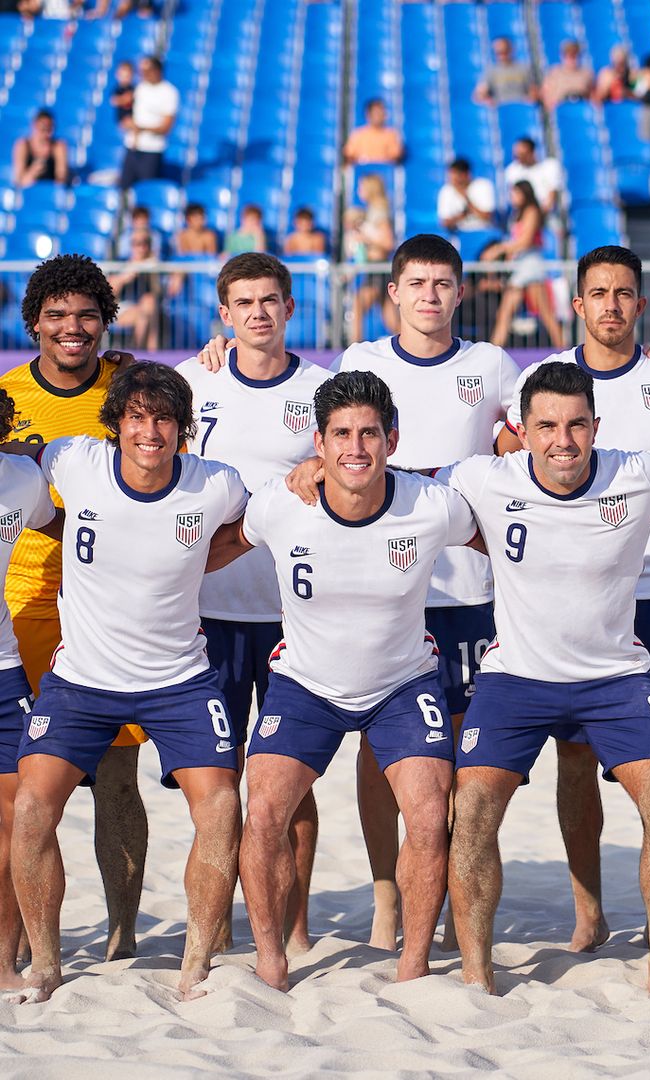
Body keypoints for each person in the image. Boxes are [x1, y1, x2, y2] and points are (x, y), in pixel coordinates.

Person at [443, 361, 650, 995]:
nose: (562, 441)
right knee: (474, 810)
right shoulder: (484, 478)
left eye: (576, 425)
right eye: (546, 426)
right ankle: (476, 974)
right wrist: (316, 470)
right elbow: (391, 485)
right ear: (520, 429)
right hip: (516, 677)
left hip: (615, 679)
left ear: (596, 426)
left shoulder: (637, 472)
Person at [284, 233, 520, 952]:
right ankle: (388, 896)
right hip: (377, 590)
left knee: (452, 757)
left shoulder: (491, 365)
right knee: (375, 752)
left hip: (466, 592)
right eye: (416, 283)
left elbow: (535, 428)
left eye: (443, 283)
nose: (429, 295)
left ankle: (446, 888)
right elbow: (310, 426)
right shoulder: (360, 362)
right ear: (393, 292)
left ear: (459, 291)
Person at [212, 370, 477, 990]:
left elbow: (511, 537)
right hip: (306, 684)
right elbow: (211, 547)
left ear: (392, 440)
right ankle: (272, 958)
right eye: (341, 435)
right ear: (319, 443)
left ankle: (412, 964)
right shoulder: (283, 503)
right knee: (266, 813)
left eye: (369, 434)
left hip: (403, 685)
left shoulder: (431, 505)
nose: (356, 447)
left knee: (430, 814)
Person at [4, 361, 248, 1004]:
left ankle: (194, 965)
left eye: (165, 419)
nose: (151, 431)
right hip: (81, 678)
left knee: (221, 805)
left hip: (178, 679)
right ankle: (48, 964)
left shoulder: (215, 485)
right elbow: (24, 457)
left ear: (182, 430)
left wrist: (202, 556)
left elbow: (265, 520)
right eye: (137, 417)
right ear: (114, 426)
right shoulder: (72, 462)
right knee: (32, 809)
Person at [502, 244, 650, 951]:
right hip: (566, 597)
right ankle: (588, 909)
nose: (612, 305)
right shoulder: (540, 379)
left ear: (641, 304)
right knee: (572, 760)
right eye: (599, 293)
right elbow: (506, 461)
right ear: (579, 303)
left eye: (625, 292)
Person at [179, 253, 331, 954]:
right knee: (217, 786)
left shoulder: (321, 391)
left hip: (295, 618)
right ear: (224, 314)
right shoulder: (194, 380)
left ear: (290, 308)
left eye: (271, 300)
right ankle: (215, 925)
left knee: (290, 783)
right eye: (244, 303)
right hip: (206, 614)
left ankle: (294, 928)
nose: (259, 313)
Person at [0, 255, 147, 965]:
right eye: (57, 315)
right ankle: (26, 933)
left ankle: (122, 938)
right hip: (22, 607)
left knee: (117, 779)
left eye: (86, 314)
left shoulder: (132, 388)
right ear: (34, 323)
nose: (72, 327)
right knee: (29, 784)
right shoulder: (4, 395)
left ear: (104, 322)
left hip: (107, 609)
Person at [0, 389, 56, 993]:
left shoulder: (21, 479)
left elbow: (69, 523)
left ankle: (5, 960)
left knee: (18, 818)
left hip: (3, 666)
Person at [482, 181, 564, 350]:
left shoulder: (532, 211)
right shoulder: (518, 214)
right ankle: (493, 352)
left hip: (531, 265)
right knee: (506, 313)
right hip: (522, 266)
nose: (512, 198)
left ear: (524, 194)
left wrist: (498, 249)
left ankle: (564, 351)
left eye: (516, 194)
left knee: (545, 314)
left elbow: (525, 241)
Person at [119, 56, 179, 190]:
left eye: (147, 71)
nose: (143, 74)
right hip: (132, 147)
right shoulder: (140, 87)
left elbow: (166, 127)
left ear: (157, 70)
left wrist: (141, 129)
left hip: (152, 150)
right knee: (124, 188)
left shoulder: (169, 92)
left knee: (145, 190)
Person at [349, 174, 397, 340]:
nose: (359, 191)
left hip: (379, 266)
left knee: (357, 305)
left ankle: (353, 349)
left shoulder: (379, 212)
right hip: (377, 267)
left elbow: (388, 242)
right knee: (390, 315)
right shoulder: (373, 211)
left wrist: (364, 236)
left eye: (361, 187)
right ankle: (410, 346)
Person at [108, 231, 163, 350]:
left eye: (145, 243)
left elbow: (158, 292)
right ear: (131, 246)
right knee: (143, 313)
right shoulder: (120, 263)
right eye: (137, 244)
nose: (142, 248)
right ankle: (142, 352)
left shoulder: (152, 266)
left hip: (144, 310)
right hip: (120, 309)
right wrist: (125, 276)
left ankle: (150, 352)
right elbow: (109, 293)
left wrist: (152, 273)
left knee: (149, 302)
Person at [503, 137, 564, 218]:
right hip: (523, 217)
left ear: (532, 152)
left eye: (522, 154)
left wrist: (537, 217)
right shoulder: (511, 171)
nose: (519, 158)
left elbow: (551, 198)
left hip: (547, 216)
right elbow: (515, 199)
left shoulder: (550, 166)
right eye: (517, 155)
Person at [436, 158, 496, 235]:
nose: (454, 183)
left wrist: (466, 199)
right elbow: (445, 223)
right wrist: (463, 215)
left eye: (458, 179)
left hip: (483, 231)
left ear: (467, 175)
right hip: (459, 233)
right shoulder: (446, 190)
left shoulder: (484, 185)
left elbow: (487, 217)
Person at [11, 110, 68, 189]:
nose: (47, 134)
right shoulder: (23, 145)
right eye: (43, 129)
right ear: (34, 126)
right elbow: (19, 182)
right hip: (28, 193)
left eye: (50, 129)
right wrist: (33, 172)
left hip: (51, 193)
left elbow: (61, 179)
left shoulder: (58, 146)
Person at [474, 37, 537, 106]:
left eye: (505, 51)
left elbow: (533, 90)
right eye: (499, 52)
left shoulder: (524, 68)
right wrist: (487, 100)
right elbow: (479, 94)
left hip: (522, 106)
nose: (502, 55)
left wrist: (531, 98)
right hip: (501, 108)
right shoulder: (491, 71)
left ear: (511, 50)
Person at [343, 97, 404, 166]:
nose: (379, 116)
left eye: (381, 112)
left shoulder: (391, 134)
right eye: (376, 113)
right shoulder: (358, 134)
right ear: (368, 114)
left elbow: (395, 156)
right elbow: (349, 155)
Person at [541, 40, 594, 112]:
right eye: (567, 54)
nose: (571, 58)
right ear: (562, 56)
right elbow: (546, 97)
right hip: (561, 111)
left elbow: (593, 97)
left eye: (574, 54)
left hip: (581, 110)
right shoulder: (554, 73)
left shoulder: (586, 73)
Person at [109, 59, 135, 128]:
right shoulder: (117, 90)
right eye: (122, 76)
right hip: (122, 120)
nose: (125, 79)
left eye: (127, 76)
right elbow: (114, 101)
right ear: (117, 75)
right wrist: (124, 99)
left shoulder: (134, 88)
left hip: (133, 119)